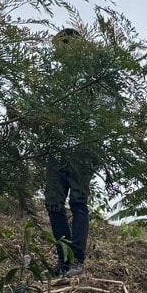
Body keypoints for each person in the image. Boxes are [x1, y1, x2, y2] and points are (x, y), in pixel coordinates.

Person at [42, 29, 99, 276]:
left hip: (83, 150)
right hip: (57, 150)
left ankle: (77, 260)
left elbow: (105, 114)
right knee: (54, 204)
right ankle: (63, 260)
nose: (61, 50)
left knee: (77, 200)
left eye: (65, 44)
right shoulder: (55, 81)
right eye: (59, 46)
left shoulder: (94, 79)